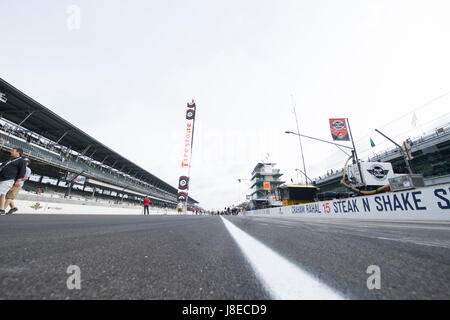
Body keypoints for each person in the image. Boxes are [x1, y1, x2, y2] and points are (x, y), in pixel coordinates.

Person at [0, 148, 26, 215]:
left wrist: (18, 180)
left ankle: (2, 209)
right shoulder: (10, 160)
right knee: (2, 194)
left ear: (18, 153)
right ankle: (2, 209)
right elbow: (2, 166)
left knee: (1, 192)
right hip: (2, 178)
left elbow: (22, 171)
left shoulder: (21, 161)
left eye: (13, 151)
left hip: (9, 179)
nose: (11, 152)